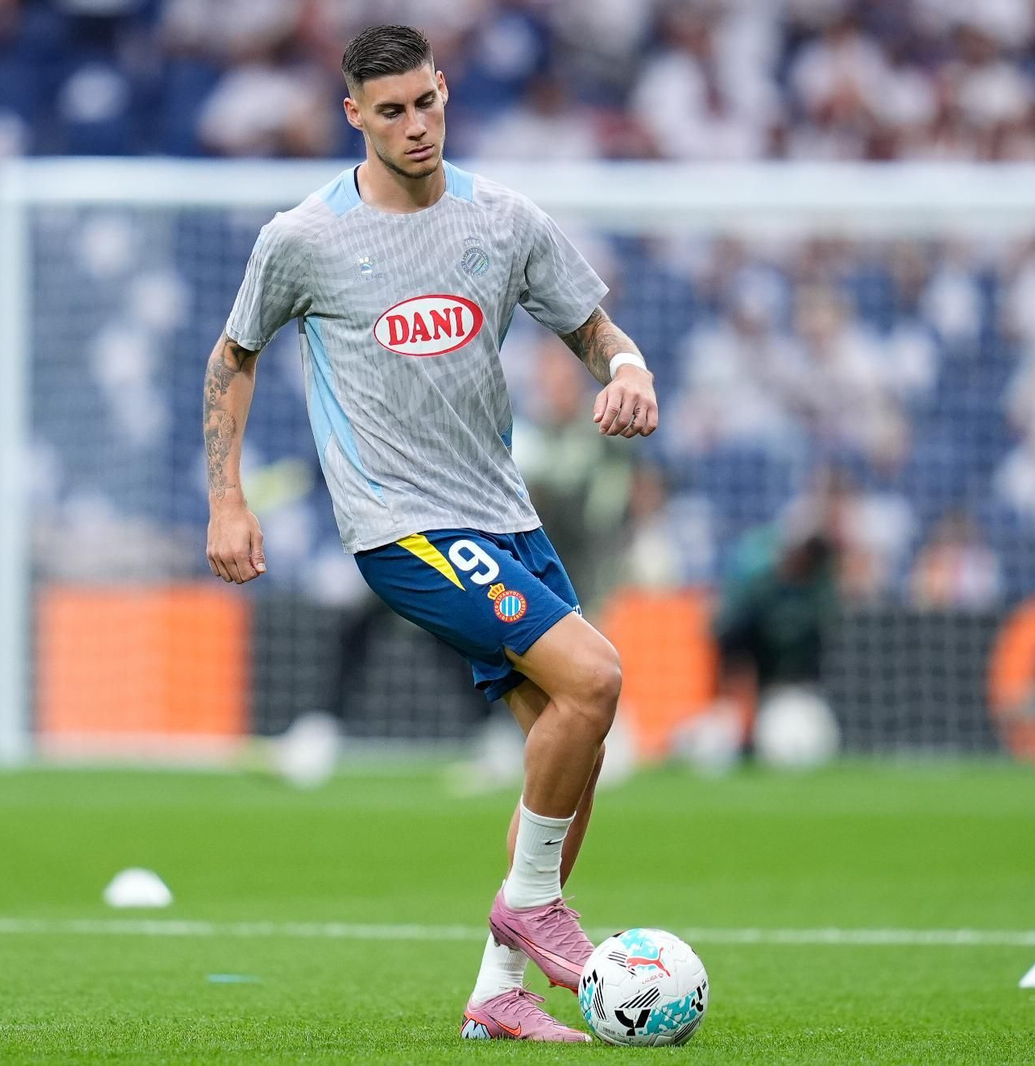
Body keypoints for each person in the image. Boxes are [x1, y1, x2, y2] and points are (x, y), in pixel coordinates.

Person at [201, 25, 658, 1043]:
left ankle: (499, 991)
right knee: (595, 678)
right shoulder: (303, 238)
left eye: (427, 102)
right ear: (353, 115)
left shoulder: (502, 219)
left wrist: (628, 370)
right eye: (391, 111)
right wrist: (226, 498)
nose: (415, 126)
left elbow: (592, 326)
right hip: (400, 525)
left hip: (505, 514)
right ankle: (533, 907)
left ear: (445, 91)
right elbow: (234, 355)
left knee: (570, 744)